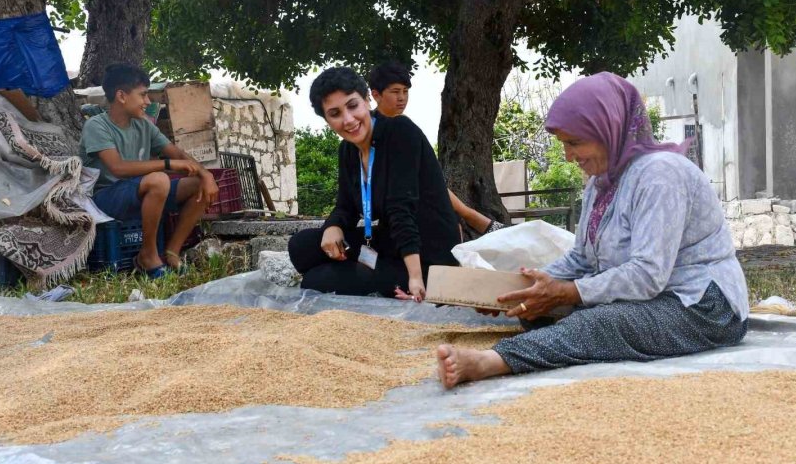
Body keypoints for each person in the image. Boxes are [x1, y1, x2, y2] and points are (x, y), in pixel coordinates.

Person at [436, 72, 749, 388]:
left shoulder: (659, 175)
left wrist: (570, 292)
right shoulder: (601, 185)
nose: (568, 156)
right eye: (564, 144)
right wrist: (512, 291)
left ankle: (492, 361)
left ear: (608, 129)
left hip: (702, 307)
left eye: (574, 142)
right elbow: (581, 261)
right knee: (531, 310)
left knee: (603, 323)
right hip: (652, 298)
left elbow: (647, 275)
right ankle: (544, 328)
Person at [288, 66, 460, 301]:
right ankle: (369, 275)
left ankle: (388, 278)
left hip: (426, 254)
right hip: (389, 243)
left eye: (352, 106)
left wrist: (416, 279)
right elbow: (346, 206)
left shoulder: (400, 132)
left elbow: (401, 209)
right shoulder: (348, 151)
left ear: (367, 100)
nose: (348, 120)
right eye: (335, 113)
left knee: (315, 281)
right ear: (326, 119)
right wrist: (333, 227)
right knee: (301, 246)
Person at [80, 63, 219, 278]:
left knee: (198, 185)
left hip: (139, 190)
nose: (147, 102)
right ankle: (147, 255)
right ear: (121, 96)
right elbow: (118, 168)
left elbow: (178, 154)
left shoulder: (143, 125)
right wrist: (167, 165)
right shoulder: (97, 126)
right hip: (105, 198)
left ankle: (172, 252)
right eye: (143, 95)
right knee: (159, 180)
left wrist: (205, 174)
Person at [367, 61, 504, 236]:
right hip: (392, 201)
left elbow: (429, 176)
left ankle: (470, 217)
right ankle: (472, 217)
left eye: (405, 91)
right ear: (376, 95)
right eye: (395, 92)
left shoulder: (405, 126)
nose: (402, 98)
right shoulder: (370, 128)